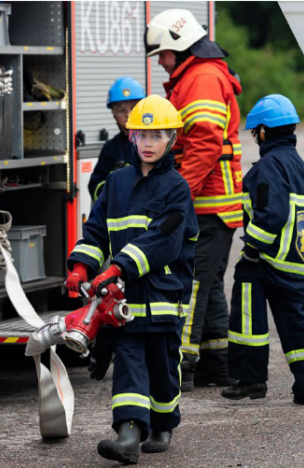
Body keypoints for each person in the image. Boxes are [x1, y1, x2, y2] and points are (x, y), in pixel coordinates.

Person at [64, 95, 199, 463]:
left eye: (158, 135)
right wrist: (82, 266)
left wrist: (118, 267)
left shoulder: (176, 188)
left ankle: (163, 424)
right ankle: (128, 435)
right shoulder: (116, 183)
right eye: (143, 135)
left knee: (162, 369)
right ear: (131, 136)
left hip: (162, 297)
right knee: (128, 363)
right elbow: (94, 231)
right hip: (125, 304)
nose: (150, 143)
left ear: (172, 138)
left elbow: (163, 242)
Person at [146, 9, 244, 390]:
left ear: (179, 47)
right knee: (210, 285)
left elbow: (204, 142)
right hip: (217, 204)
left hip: (207, 202)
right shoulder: (199, 73)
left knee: (192, 286)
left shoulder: (201, 78)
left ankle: (179, 369)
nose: (162, 63)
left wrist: (177, 192)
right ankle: (216, 365)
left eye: (163, 55)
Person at [221, 94, 304, 404]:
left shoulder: (268, 167)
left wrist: (252, 247)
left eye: (256, 132)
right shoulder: (301, 168)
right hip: (301, 261)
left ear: (264, 132)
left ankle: (250, 380)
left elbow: (273, 214)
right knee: (298, 321)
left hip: (270, 258)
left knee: (246, 313)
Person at [89, 77, 146, 201]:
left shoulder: (155, 142)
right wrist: (113, 190)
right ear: (113, 114)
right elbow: (95, 185)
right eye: (121, 110)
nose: (128, 114)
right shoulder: (111, 148)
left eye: (133, 108)